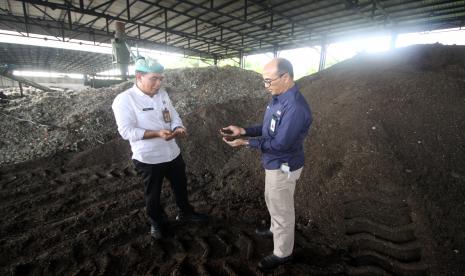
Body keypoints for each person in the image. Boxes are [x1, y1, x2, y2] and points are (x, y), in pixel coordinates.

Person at [221, 58, 312, 270]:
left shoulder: (295, 107)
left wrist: (245, 142)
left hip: (283, 164)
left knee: (282, 209)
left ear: (286, 77)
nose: (266, 86)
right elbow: (268, 129)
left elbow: (280, 143)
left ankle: (283, 252)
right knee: (272, 198)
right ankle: (274, 228)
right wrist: (243, 130)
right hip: (273, 163)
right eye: (264, 81)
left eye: (268, 81)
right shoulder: (278, 98)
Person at [112, 57, 207, 240]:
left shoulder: (162, 94)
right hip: (149, 158)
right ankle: (157, 222)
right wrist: (156, 134)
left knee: (180, 186)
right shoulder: (125, 99)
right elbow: (126, 131)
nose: (158, 83)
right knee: (153, 194)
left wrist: (177, 127)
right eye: (154, 78)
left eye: (161, 79)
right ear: (139, 77)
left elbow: (173, 115)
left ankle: (185, 212)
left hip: (172, 152)